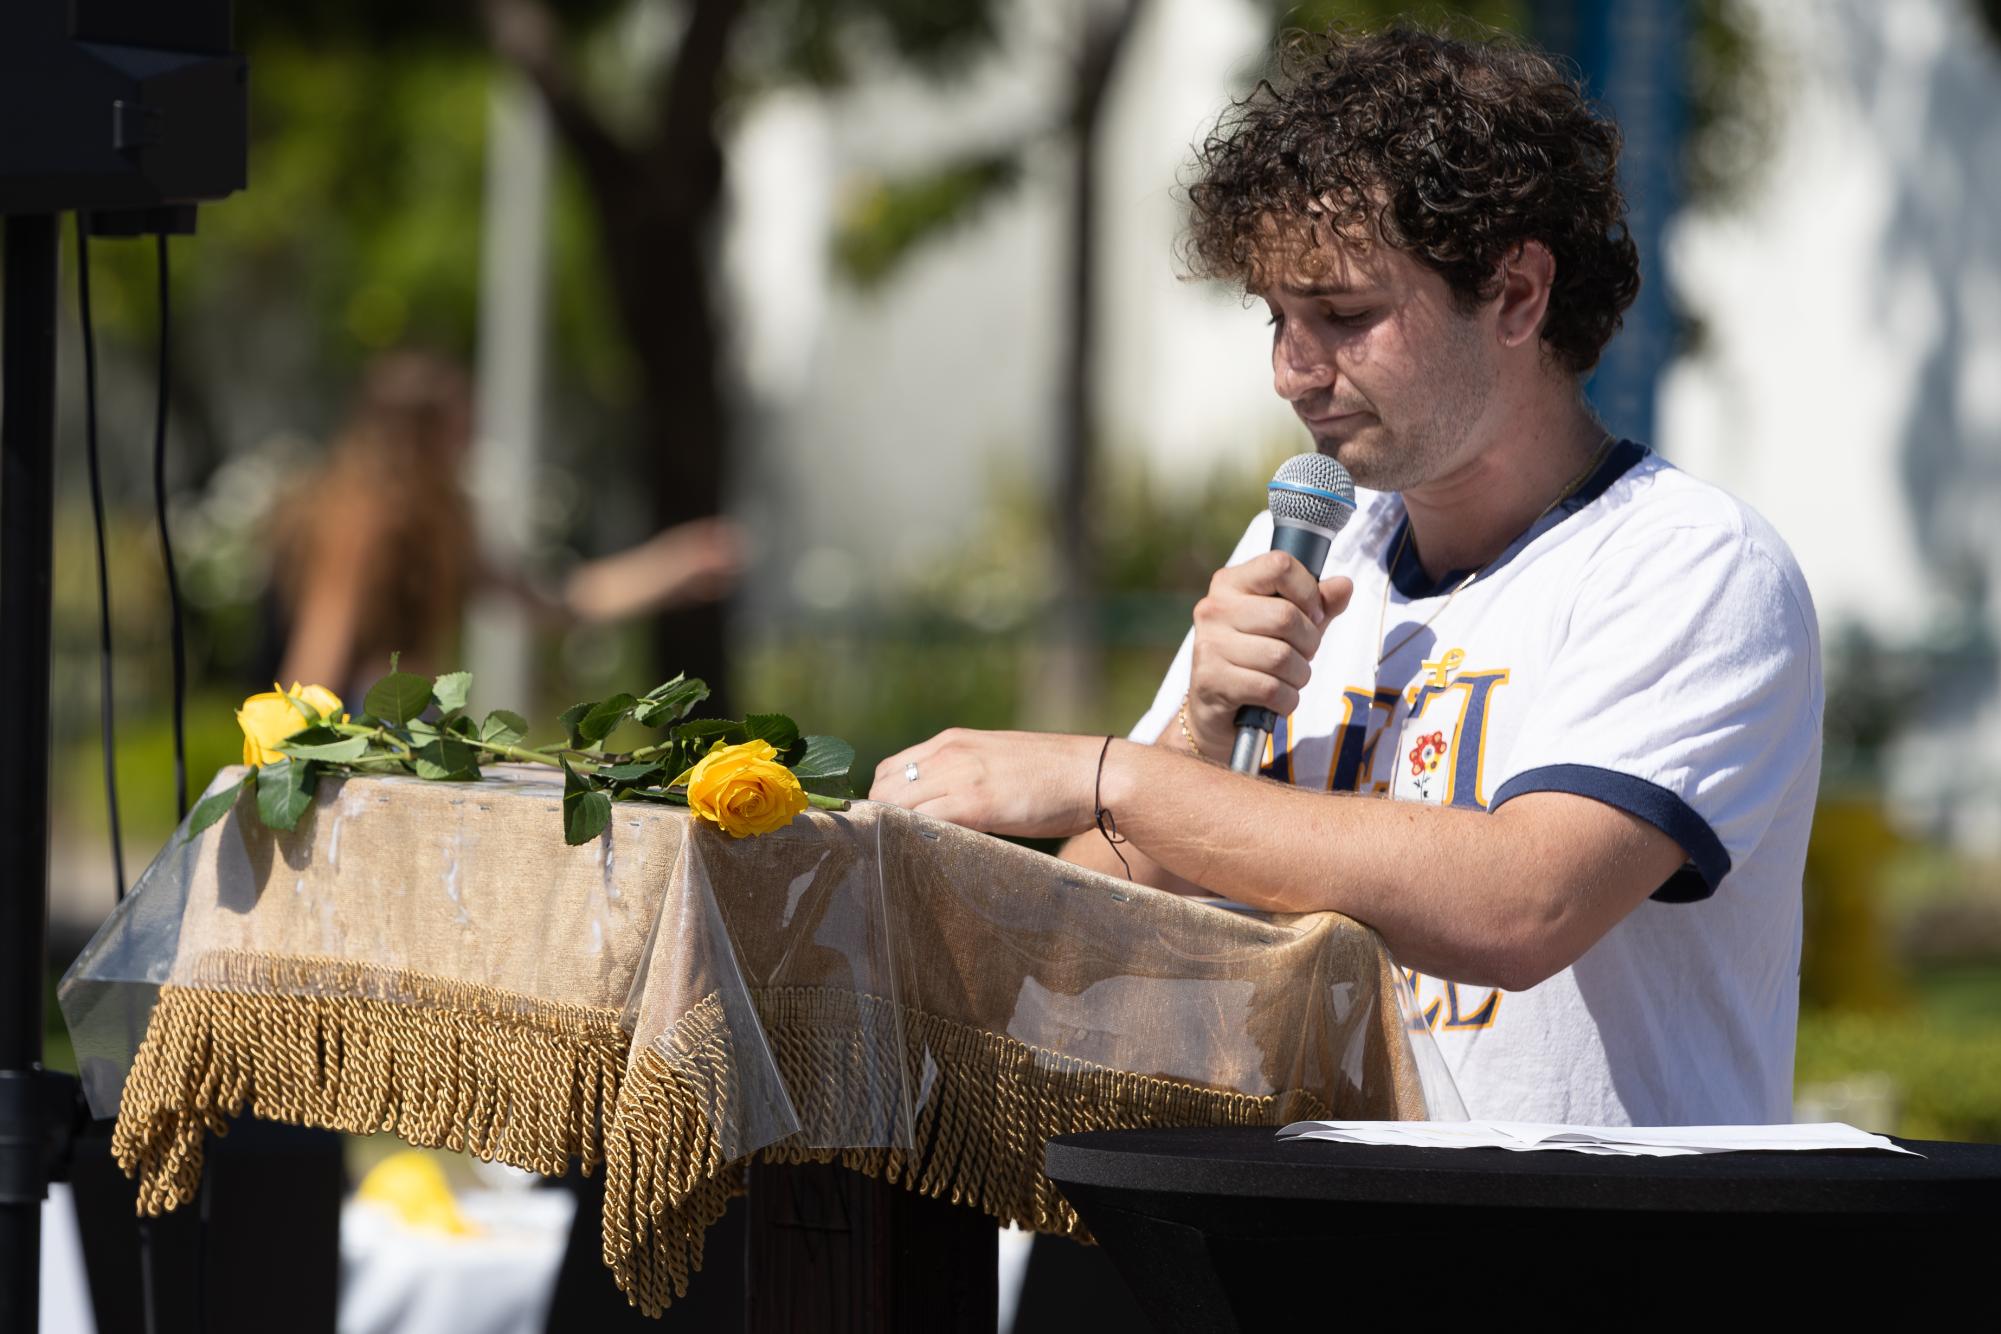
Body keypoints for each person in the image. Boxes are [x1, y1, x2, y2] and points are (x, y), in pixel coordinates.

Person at [868, 26, 1822, 1127]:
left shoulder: (1691, 561)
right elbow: (1094, 914)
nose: (1291, 370)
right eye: (1278, 318)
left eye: (1346, 315)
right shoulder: (1305, 548)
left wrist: (1115, 775)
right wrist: (1195, 733)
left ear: (1516, 294)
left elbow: (1526, 902)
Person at [269, 348, 743, 698]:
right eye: (459, 424)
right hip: (362, 729)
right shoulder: (360, 520)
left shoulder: (441, 520)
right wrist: (289, 763)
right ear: (415, 436)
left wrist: (670, 566)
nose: (471, 437)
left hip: (408, 724)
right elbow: (317, 661)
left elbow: (557, 598)